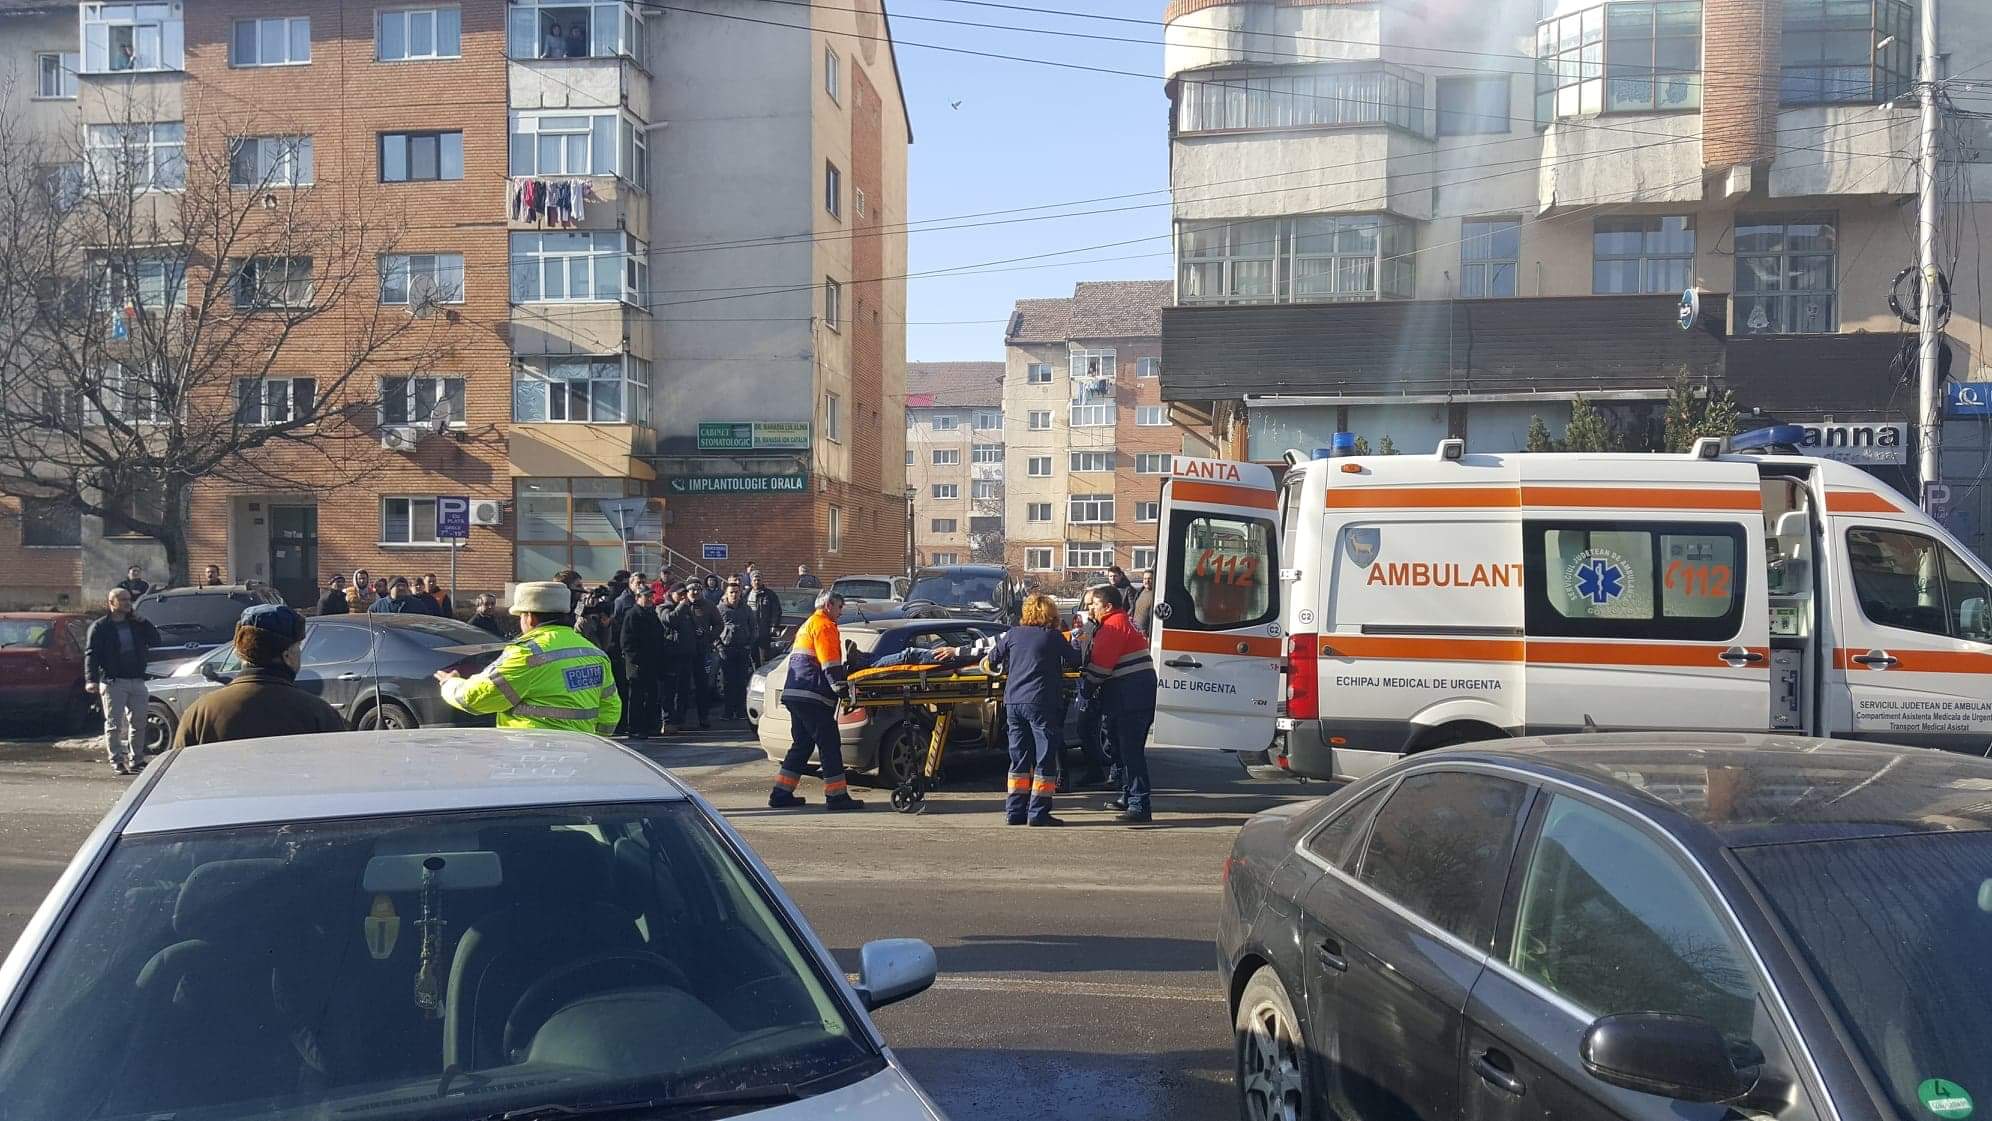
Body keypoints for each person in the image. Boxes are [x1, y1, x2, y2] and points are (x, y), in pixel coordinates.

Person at [437, 581, 622, 732]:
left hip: (533, 753)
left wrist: (450, 684)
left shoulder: (527, 654)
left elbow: (476, 698)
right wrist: (596, 741)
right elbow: (611, 710)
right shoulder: (593, 653)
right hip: (582, 753)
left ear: (529, 617)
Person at [172, 605, 345, 746]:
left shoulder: (200, 713)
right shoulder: (318, 713)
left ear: (239, 652)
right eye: (298, 647)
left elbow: (178, 774)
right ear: (287, 655)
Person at [769, 591, 874, 811]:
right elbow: (829, 664)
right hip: (812, 695)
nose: (841, 612)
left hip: (797, 694)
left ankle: (781, 793)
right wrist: (841, 690)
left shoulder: (808, 624)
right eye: (839, 606)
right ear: (828, 605)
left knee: (803, 744)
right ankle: (837, 796)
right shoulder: (825, 625)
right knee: (829, 744)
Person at [986, 593, 1083, 826]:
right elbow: (1075, 660)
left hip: (1013, 702)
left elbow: (992, 659)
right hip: (1041, 701)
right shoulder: (1053, 637)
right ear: (1050, 614)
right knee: (1044, 758)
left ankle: (1014, 812)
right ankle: (1038, 813)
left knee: (1019, 759)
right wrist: (1077, 640)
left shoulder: (1013, 634)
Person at [1083, 583, 1157, 823]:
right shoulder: (1124, 621)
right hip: (1135, 695)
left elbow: (1100, 668)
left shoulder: (1112, 626)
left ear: (1107, 606)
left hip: (1129, 698)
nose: (1091, 609)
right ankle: (1129, 796)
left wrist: (1085, 688)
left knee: (1131, 752)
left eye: (1094, 604)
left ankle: (1139, 804)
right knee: (1124, 750)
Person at [85, 588, 161, 774]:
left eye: (129, 599)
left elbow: (156, 641)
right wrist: (91, 679)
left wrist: (144, 622)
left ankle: (137, 759)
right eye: (123, 600)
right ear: (112, 603)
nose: (128, 603)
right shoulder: (101, 626)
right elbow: (91, 654)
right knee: (114, 724)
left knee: (139, 722)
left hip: (137, 679)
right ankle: (117, 760)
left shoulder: (136, 624)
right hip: (114, 681)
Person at [619, 581, 671, 738]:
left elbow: (659, 637)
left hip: (653, 663)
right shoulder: (632, 615)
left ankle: (650, 726)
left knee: (652, 696)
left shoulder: (651, 614)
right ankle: (635, 728)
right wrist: (636, 661)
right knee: (637, 698)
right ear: (637, 598)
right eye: (646, 596)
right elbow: (626, 642)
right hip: (638, 665)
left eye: (650, 596)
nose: (649, 599)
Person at [664, 584, 712, 729]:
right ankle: (670, 720)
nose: (683, 597)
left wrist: (702, 635)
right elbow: (670, 620)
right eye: (680, 594)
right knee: (671, 690)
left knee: (685, 690)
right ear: (672, 594)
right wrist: (682, 605)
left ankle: (681, 719)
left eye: (684, 594)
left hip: (689, 655)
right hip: (673, 656)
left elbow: (695, 627)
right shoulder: (665, 607)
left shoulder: (687, 610)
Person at [716, 580, 759, 720]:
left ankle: (740, 711)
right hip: (726, 649)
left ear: (740, 593)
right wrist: (719, 646)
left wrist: (749, 645)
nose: (734, 595)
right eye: (731, 592)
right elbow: (713, 629)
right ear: (726, 594)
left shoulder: (746, 609)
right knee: (728, 682)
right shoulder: (720, 609)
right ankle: (728, 712)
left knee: (741, 681)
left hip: (743, 649)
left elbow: (753, 628)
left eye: (736, 592)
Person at [750, 576, 782, 664]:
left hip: (764, 629)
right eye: (754, 580)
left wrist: (774, 625)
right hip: (750, 630)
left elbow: (776, 611)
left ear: (762, 581)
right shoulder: (746, 594)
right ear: (751, 582)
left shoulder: (769, 594)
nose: (757, 582)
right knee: (751, 657)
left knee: (763, 656)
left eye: (758, 580)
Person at [1133, 568, 1157, 634]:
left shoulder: (1156, 595)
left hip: (1147, 634)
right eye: (1145, 579)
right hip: (1136, 631)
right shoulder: (1140, 592)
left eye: (1150, 578)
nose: (1147, 581)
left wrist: (1149, 633)